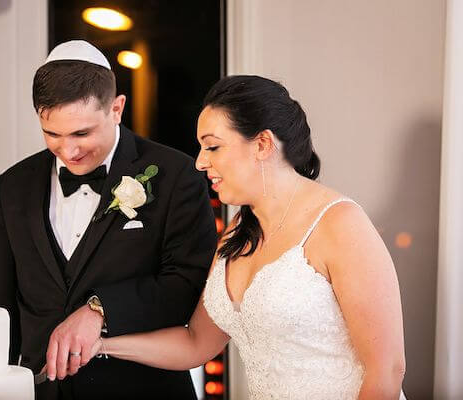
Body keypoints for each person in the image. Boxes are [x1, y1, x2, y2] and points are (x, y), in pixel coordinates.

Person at [87, 75, 407, 400]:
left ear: (263, 144)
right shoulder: (238, 233)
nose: (200, 161)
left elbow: (387, 370)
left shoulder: (340, 223)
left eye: (213, 146)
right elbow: (196, 342)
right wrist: (102, 345)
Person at [0, 40, 217, 399]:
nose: (69, 151)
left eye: (82, 133)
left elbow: (188, 284)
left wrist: (100, 310)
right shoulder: (12, 186)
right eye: (52, 134)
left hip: (142, 391)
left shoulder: (176, 175)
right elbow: (0, 303)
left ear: (117, 108)